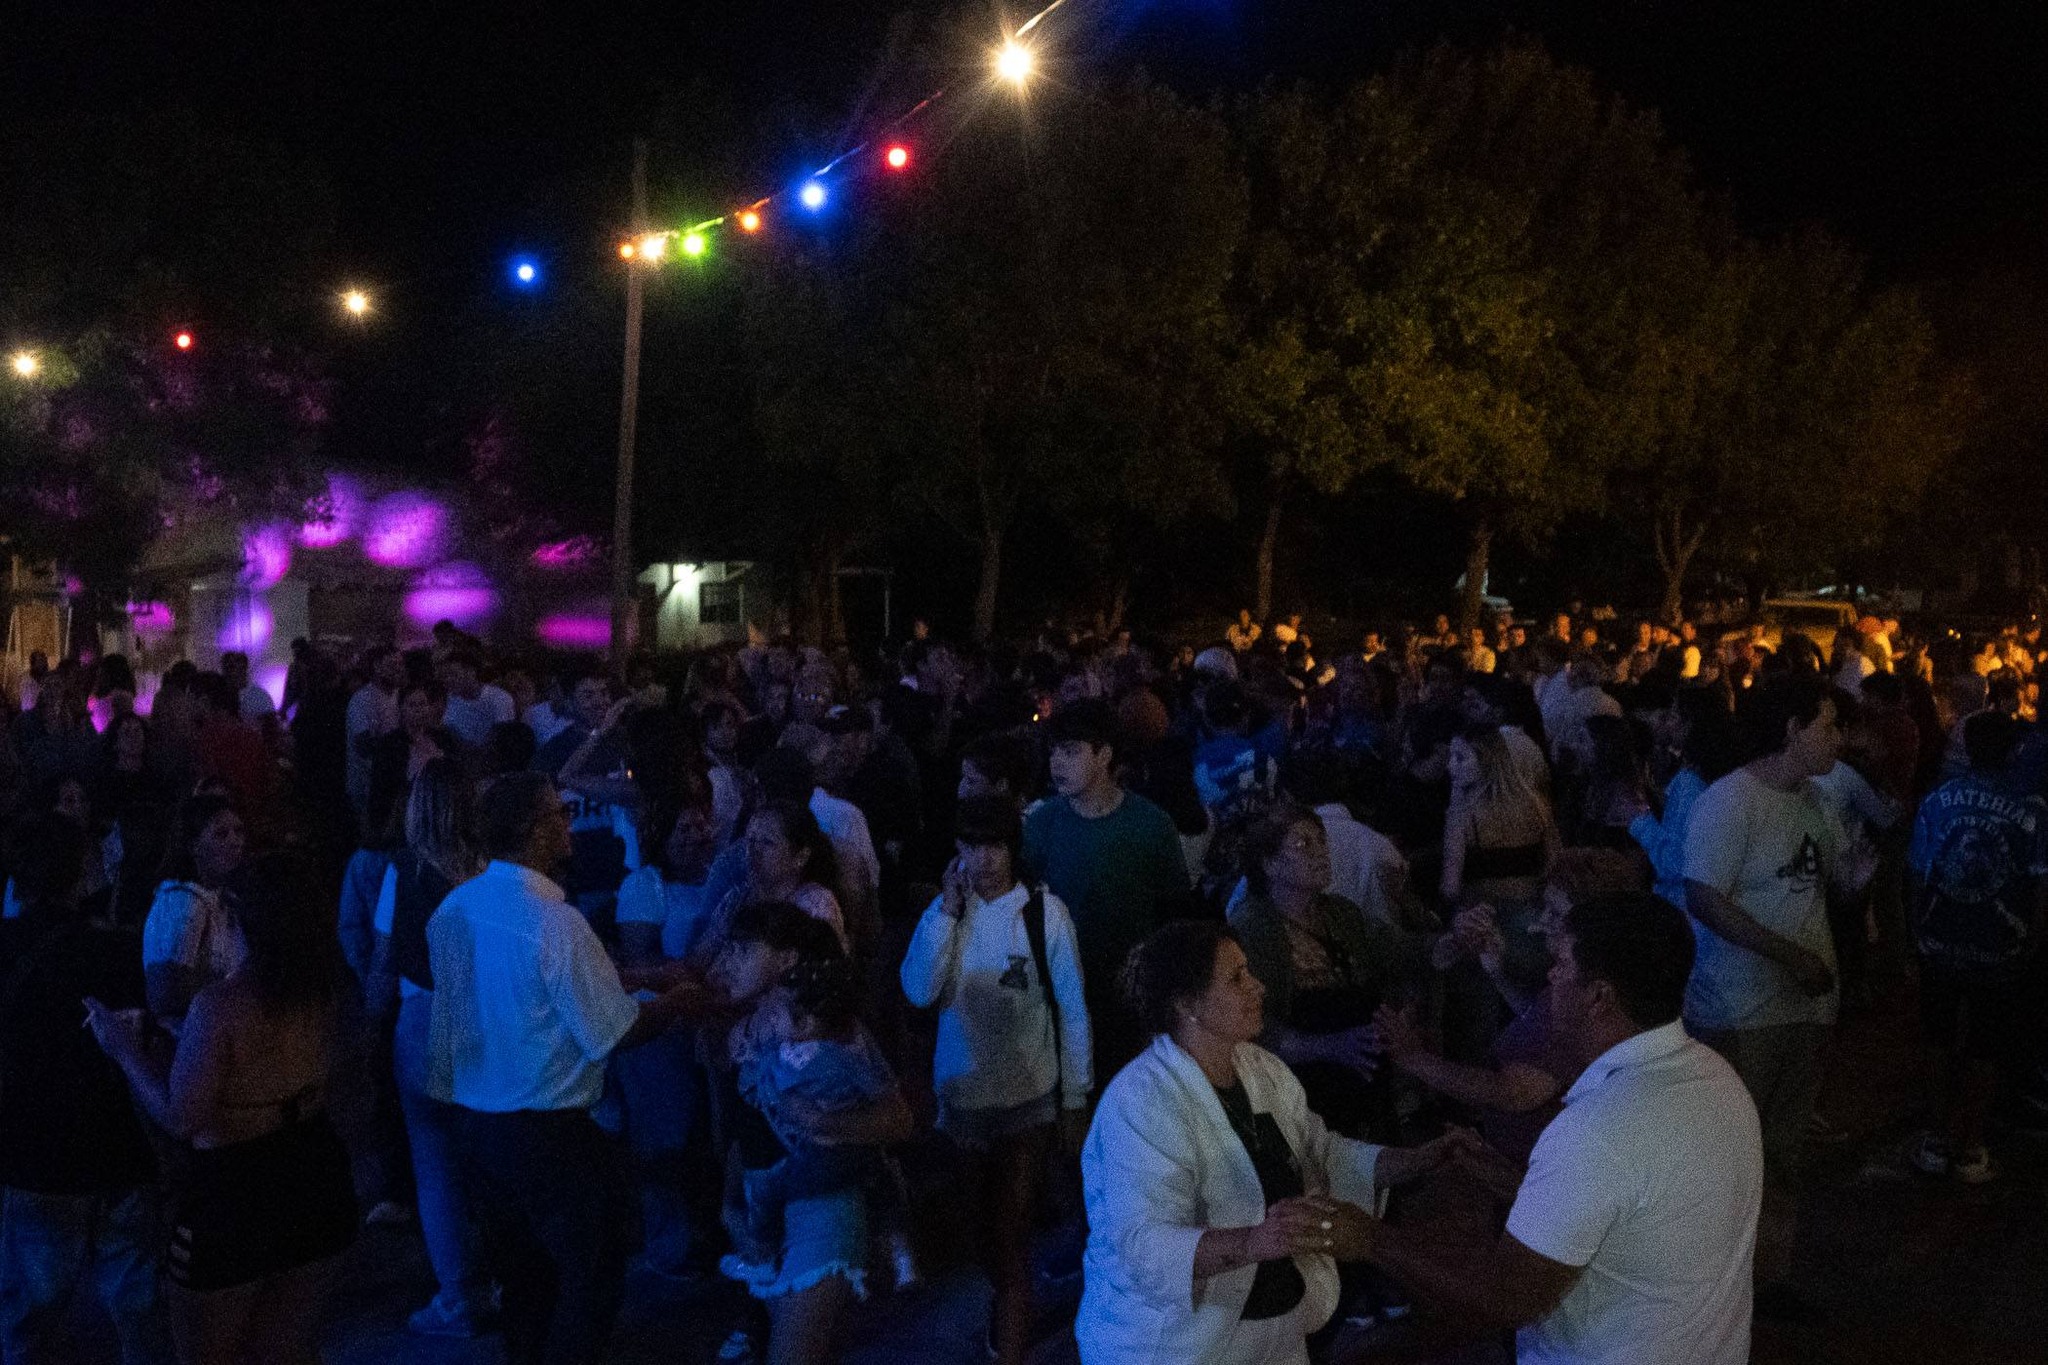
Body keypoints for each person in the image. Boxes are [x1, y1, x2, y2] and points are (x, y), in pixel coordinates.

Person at [1348, 892, 1763, 1365]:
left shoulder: (1596, 1129)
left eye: (1563, 963)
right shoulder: (1718, 1077)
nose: (1551, 976)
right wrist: (1511, 1180)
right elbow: (1629, 1216)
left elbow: (1508, 1297)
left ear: (1599, 996)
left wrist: (1369, 1238)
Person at [1075, 920, 1467, 1364]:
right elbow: (1140, 1243)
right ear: (1188, 1004)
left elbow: (1322, 1154)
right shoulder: (1141, 1102)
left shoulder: (1261, 1069)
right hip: (1172, 1346)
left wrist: (1417, 1160)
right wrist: (1254, 1242)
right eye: (1237, 977)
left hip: (1273, 1333)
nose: (1258, 986)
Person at [424, 772, 703, 1365]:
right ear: (534, 830)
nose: (569, 823)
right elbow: (614, 1031)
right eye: (559, 814)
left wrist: (638, 977)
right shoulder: (556, 922)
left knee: (522, 1279)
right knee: (588, 1277)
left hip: (477, 1125)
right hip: (548, 1132)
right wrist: (678, 1004)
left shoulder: (453, 909)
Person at [91, 854, 360, 1365]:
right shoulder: (324, 988)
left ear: (240, 923)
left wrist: (122, 1049)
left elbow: (182, 1118)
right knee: (286, 1349)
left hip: (234, 1197)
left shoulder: (220, 1005)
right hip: (317, 1175)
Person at [899, 794, 1093, 1365]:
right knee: (979, 1229)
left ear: (1012, 849)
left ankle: (1010, 1339)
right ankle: (1006, 1308)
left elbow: (1072, 1009)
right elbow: (918, 990)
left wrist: (1075, 1097)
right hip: (962, 1101)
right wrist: (945, 913)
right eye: (971, 845)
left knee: (1010, 1232)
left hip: (1028, 1103)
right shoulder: (945, 915)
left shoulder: (1044, 914)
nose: (983, 859)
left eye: (995, 846)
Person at [1682, 673, 1854, 1312]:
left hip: (1806, 1004)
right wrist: (1790, 955)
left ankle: (1769, 1279)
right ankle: (1708, 1286)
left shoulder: (1817, 801)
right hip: (1738, 1009)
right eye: (1828, 725)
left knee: (1783, 1150)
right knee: (1727, 1153)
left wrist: (1862, 876)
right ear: (1791, 728)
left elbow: (1828, 883)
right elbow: (1704, 897)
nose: (1839, 739)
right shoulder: (1730, 802)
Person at [0, 816, 171, 1365]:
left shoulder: (8, 948)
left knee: (31, 1316)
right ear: (81, 874)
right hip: (116, 1145)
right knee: (138, 1308)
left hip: (34, 1155)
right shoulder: (116, 950)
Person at [711, 902, 912, 1365]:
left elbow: (899, 1119)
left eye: (744, 950)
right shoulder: (745, 1030)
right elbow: (744, 1130)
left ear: (787, 959)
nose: (729, 961)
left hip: (823, 1210)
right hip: (768, 1214)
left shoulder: (834, 1032)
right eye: (730, 950)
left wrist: (821, 1123)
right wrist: (733, 1204)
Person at [363, 758, 495, 1337]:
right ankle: (504, 1278)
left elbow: (384, 957)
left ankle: (458, 1299)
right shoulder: (491, 868)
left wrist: (372, 1022)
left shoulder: (405, 871)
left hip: (422, 1017)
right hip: (486, 1021)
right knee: (491, 1158)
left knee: (434, 1162)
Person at [1227, 806, 1447, 1139]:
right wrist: (1329, 1046)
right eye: (1303, 844)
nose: (1321, 852)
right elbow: (1254, 1026)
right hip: (1303, 1092)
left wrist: (1452, 942)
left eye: (1321, 841)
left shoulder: (1340, 913)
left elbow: (1400, 952)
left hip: (1365, 1080)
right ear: (1270, 864)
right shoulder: (1253, 930)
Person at [1905, 710, 2048, 1182]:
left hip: (1941, 938)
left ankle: (1936, 1136)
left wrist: (1916, 931)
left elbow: (1917, 871)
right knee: (1987, 1045)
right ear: (2014, 751)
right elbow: (2039, 884)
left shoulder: (1937, 800)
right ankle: (1970, 1146)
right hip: (1999, 946)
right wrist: (2032, 938)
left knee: (1937, 1037)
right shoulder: (2031, 811)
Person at [1022, 699, 1189, 1075]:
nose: (1057, 763)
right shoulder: (1041, 823)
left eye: (1070, 751)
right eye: (1053, 752)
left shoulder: (1151, 824)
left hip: (1128, 990)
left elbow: (1174, 912)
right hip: (1058, 986)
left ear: (1104, 755)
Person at [140, 794, 248, 1024]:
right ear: (194, 845)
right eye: (221, 834)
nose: (235, 841)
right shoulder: (182, 902)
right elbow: (164, 995)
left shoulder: (228, 900)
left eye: (239, 831)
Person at [346, 646, 405, 830]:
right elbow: (363, 746)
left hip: (392, 783)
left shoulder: (399, 695)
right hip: (368, 786)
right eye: (392, 665)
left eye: (400, 664)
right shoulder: (362, 700)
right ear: (376, 667)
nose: (398, 669)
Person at [437, 647, 515, 750]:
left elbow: (501, 738)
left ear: (471, 672)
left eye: (453, 674)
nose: (448, 680)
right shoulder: (449, 700)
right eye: (444, 676)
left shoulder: (499, 698)